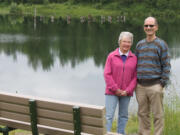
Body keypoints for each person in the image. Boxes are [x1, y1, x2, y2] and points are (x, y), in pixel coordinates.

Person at [135, 16, 171, 135]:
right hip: (140, 86)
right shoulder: (139, 45)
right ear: (144, 27)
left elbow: (166, 65)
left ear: (156, 27)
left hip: (155, 85)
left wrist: (162, 83)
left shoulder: (161, 44)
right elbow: (136, 64)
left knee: (158, 114)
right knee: (142, 114)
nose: (148, 28)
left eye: (151, 25)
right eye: (146, 25)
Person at [104, 32, 137, 135]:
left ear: (131, 43)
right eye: (124, 41)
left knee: (123, 116)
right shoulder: (111, 56)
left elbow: (135, 77)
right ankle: (106, 133)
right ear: (119, 42)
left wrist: (127, 91)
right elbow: (107, 74)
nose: (126, 44)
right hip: (112, 92)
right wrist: (116, 89)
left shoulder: (134, 58)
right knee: (109, 116)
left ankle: (121, 133)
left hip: (126, 93)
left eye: (129, 42)